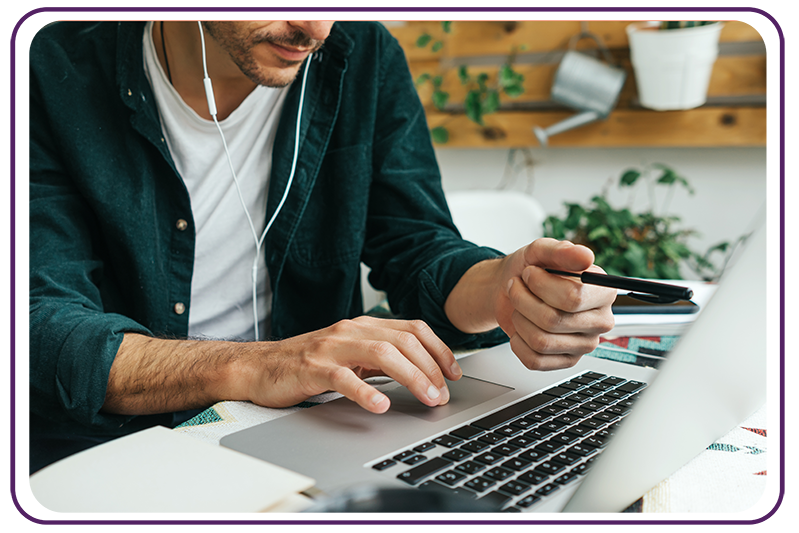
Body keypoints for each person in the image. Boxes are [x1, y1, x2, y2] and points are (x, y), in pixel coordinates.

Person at [21, 20, 616, 475]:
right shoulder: (45, 69)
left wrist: (504, 289)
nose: (315, 29)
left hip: (309, 428)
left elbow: (415, 244)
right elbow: (36, 325)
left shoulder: (364, 54)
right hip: (114, 449)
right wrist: (261, 364)